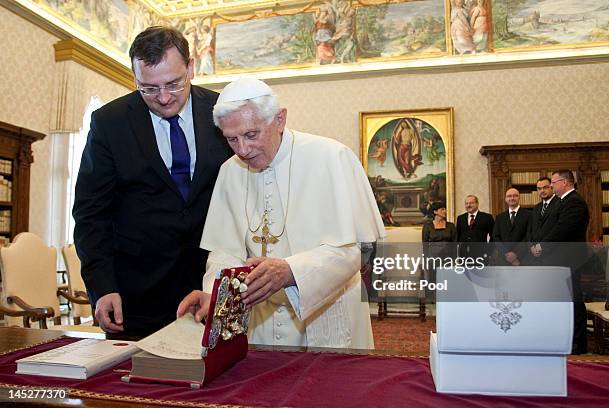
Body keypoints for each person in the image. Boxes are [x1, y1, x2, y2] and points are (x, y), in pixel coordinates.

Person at [177, 78, 385, 349]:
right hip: (260, 322)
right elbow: (224, 251)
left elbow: (358, 249)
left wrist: (291, 271)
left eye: (251, 134)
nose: (242, 149)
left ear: (280, 119)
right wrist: (214, 294)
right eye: (232, 139)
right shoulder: (230, 171)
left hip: (327, 319)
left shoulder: (332, 157)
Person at [73, 26, 232, 336]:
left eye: (173, 84)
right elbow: (91, 213)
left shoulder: (222, 112)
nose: (163, 97)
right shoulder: (110, 123)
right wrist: (102, 286)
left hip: (209, 285)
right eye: (148, 88)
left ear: (191, 68)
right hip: (136, 292)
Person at [530, 170, 589, 354]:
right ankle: (564, 338)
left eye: (554, 182)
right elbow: (550, 227)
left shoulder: (574, 202)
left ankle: (577, 343)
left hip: (569, 259)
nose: (552, 186)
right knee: (562, 301)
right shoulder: (564, 202)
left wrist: (542, 246)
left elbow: (562, 230)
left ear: (564, 182)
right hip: (559, 259)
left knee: (573, 300)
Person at [491, 188, 531, 265]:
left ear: (519, 198)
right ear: (506, 199)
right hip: (503, 259)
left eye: (515, 196)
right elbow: (496, 237)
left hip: (523, 258)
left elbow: (528, 236)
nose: (512, 198)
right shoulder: (500, 217)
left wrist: (516, 254)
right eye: (509, 196)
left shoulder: (529, 215)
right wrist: (506, 253)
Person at [422, 202, 457, 287]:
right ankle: (433, 299)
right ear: (435, 212)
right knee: (433, 281)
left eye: (445, 209)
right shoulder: (428, 226)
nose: (445, 211)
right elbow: (425, 245)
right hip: (433, 258)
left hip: (448, 258)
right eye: (442, 209)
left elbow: (455, 244)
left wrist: (455, 260)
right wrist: (426, 261)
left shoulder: (451, 226)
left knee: (448, 282)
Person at [527, 176, 560, 264]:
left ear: (552, 187)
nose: (542, 191)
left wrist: (542, 247)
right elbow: (530, 230)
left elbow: (559, 230)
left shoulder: (560, 204)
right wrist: (531, 246)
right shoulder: (536, 208)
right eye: (539, 188)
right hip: (535, 257)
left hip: (554, 254)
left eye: (545, 187)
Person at [456, 195, 494, 261]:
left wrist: (489, 251)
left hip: (481, 255)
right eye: (466, 203)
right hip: (464, 256)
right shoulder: (460, 218)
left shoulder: (487, 217)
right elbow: (457, 236)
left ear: (477, 204)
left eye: (471, 203)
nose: (468, 205)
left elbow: (493, 236)